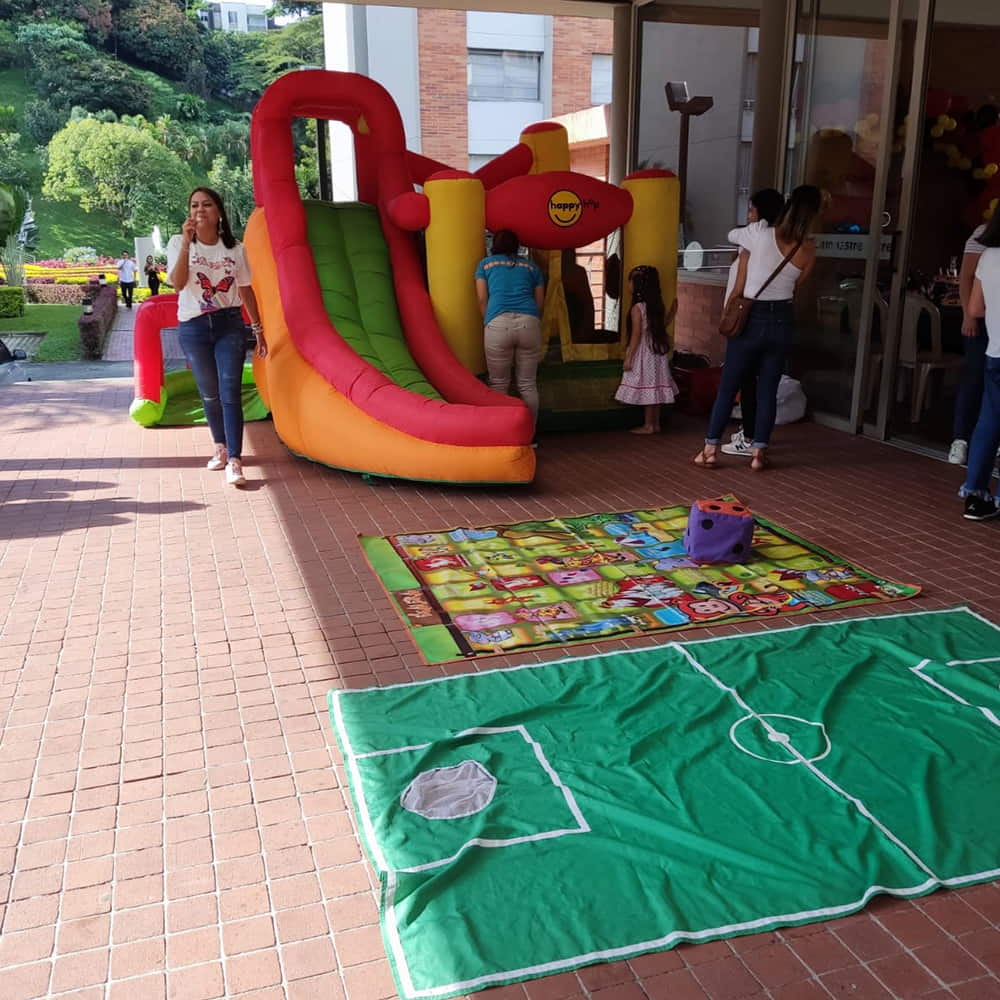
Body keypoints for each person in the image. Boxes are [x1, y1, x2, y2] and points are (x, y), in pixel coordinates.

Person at [694, 184, 822, 472]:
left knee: (729, 386)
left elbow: (733, 241)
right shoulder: (809, 248)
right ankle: (758, 454)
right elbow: (797, 286)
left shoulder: (760, 235)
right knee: (767, 389)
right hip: (782, 319)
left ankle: (710, 449)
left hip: (752, 315)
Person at [167, 187, 265, 488]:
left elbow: (246, 289)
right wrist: (186, 242)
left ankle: (235, 459)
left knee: (230, 390)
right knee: (208, 392)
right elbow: (178, 284)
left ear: (218, 211)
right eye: (194, 205)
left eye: (207, 204)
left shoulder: (234, 248)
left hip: (229, 326)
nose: (200, 210)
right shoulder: (177, 243)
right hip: (194, 328)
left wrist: (258, 330)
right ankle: (220, 448)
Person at [720, 188, 786, 457]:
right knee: (763, 384)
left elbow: (731, 235)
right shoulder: (781, 240)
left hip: (748, 319)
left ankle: (747, 438)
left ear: (760, 213)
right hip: (773, 319)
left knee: (744, 381)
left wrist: (754, 228)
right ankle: (757, 439)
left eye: (751, 209)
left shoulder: (755, 238)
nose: (748, 214)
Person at [475, 229, 545, 428]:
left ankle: (503, 434)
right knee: (528, 384)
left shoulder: (485, 265)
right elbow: (540, 303)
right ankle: (529, 436)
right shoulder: (532, 268)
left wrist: (489, 320)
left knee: (498, 384)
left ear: (494, 245)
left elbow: (482, 299)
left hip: (497, 323)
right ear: (517, 245)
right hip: (529, 323)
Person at [958, 208, 1000, 520]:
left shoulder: (988, 257)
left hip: (994, 353)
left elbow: (976, 308)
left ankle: (974, 494)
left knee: (988, 422)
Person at [615, 265, 678, 433]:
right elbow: (659, 326)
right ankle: (655, 423)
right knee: (655, 387)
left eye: (630, 281)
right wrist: (672, 313)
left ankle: (648, 425)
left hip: (644, 352)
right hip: (657, 352)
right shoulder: (656, 305)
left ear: (637, 285)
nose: (628, 285)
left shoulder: (637, 308)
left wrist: (629, 357)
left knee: (649, 387)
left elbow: (636, 335)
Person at [949, 222, 989, 464]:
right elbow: (965, 277)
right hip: (981, 317)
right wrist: (968, 315)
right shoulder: (982, 234)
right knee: (975, 376)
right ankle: (960, 439)